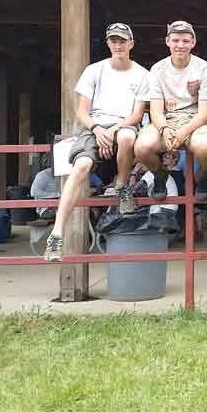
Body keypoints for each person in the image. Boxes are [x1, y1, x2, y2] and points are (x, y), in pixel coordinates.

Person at [44, 22, 150, 262]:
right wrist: (97, 128)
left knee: (126, 136)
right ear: (108, 43)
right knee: (80, 166)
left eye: (123, 40)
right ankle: (57, 231)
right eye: (114, 40)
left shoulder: (142, 74)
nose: (118, 45)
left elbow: (136, 115)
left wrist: (111, 130)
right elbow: (81, 110)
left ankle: (122, 185)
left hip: (123, 126)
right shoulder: (94, 70)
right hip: (94, 127)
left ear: (131, 43)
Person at [134, 20, 207, 201]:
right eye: (176, 40)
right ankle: (160, 174)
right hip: (165, 119)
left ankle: (204, 176)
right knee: (141, 147)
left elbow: (204, 113)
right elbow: (155, 110)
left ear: (193, 43)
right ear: (167, 41)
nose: (180, 45)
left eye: (185, 41)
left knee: (204, 148)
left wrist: (183, 132)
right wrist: (165, 129)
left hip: (196, 119)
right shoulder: (157, 69)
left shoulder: (204, 68)